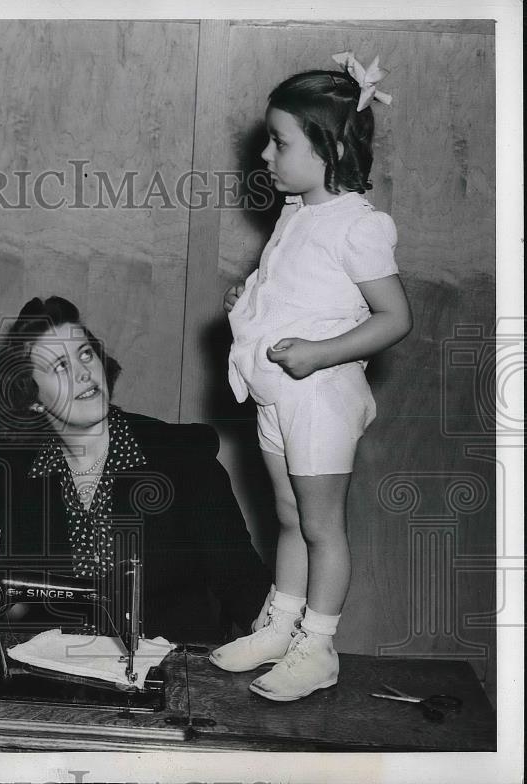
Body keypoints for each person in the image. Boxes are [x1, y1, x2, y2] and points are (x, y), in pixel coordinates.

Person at [209, 54, 412, 701]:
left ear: (332, 146)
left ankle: (318, 647)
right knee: (290, 516)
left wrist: (321, 353)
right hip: (278, 394)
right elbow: (294, 287)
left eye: (280, 141)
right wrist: (254, 298)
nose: (265, 154)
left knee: (323, 526)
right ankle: (281, 624)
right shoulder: (297, 210)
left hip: (320, 397)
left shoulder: (358, 225)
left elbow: (394, 318)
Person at [0, 295, 274, 645]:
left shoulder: (181, 457)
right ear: (33, 397)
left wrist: (277, 629)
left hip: (171, 673)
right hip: (62, 673)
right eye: (60, 367)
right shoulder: (16, 473)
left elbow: (240, 580)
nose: (84, 371)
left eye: (85, 354)